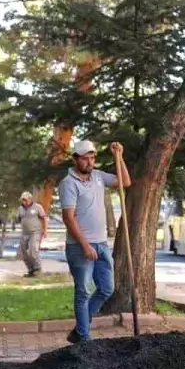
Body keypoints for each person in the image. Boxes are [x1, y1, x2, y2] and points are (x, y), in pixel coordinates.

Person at [60, 140, 128, 344]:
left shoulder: (98, 176)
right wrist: (85, 245)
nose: (89, 162)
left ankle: (81, 328)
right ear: (75, 159)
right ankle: (84, 339)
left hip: (101, 244)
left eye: (92, 158)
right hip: (80, 247)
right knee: (83, 291)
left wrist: (119, 157)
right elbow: (68, 218)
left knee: (107, 288)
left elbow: (125, 182)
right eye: (85, 158)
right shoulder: (68, 183)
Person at [15, 192, 48, 277]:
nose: (24, 202)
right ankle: (31, 270)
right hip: (25, 233)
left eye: (25, 200)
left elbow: (44, 218)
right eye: (22, 200)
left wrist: (45, 230)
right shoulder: (20, 208)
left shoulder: (37, 207)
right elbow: (18, 219)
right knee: (23, 253)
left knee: (33, 250)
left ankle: (37, 269)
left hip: (35, 232)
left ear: (30, 199)